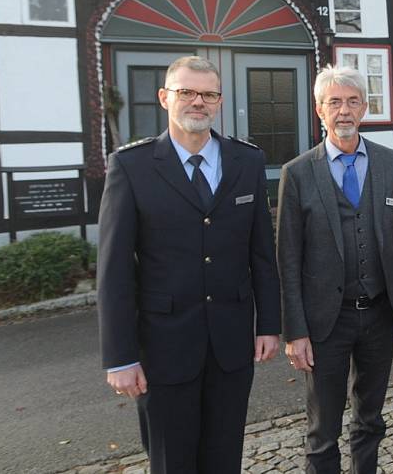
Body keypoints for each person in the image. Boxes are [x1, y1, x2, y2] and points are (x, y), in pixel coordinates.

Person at [97, 55, 281, 474]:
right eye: (187, 92)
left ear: (218, 101)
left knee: (224, 458)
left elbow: (261, 252)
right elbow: (114, 270)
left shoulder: (246, 161)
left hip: (231, 345)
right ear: (165, 97)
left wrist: (269, 324)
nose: (198, 102)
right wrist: (120, 356)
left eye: (209, 94)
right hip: (163, 348)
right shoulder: (131, 166)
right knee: (172, 461)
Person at [276, 65, 393, 474]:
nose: (344, 110)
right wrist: (295, 331)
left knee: (370, 419)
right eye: (334, 102)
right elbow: (287, 258)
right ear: (320, 110)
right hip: (324, 322)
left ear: (365, 108)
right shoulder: (298, 173)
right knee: (322, 429)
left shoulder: (391, 164)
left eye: (353, 101)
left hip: (378, 313)